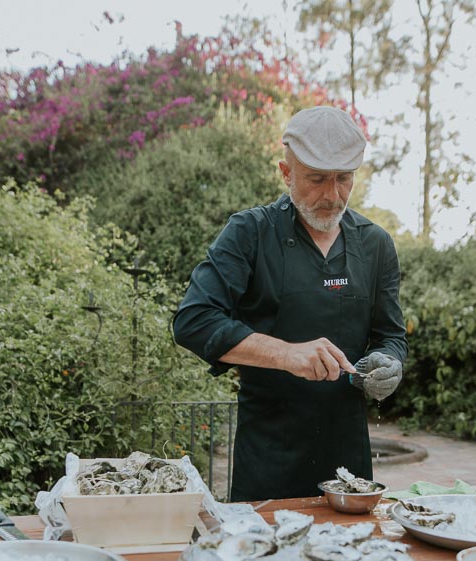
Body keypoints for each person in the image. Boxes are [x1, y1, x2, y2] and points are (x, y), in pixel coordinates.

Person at [173, 105, 407, 502]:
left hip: (348, 461)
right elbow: (193, 321)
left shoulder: (376, 244)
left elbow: (391, 337)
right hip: (268, 458)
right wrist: (285, 354)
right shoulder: (249, 233)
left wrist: (389, 363)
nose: (332, 196)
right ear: (286, 173)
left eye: (343, 179)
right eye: (316, 180)